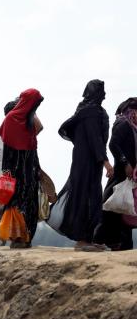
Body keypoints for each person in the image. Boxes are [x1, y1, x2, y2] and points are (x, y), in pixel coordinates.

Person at [50, 80, 114, 251]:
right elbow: (94, 139)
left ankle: (88, 238)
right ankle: (82, 240)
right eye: (102, 91)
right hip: (86, 162)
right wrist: (107, 163)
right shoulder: (90, 112)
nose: (105, 95)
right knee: (86, 197)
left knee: (91, 197)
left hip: (89, 161)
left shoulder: (88, 110)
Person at [0, 88, 44, 248]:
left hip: (30, 171)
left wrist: (37, 169)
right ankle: (16, 238)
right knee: (16, 203)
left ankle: (27, 237)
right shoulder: (11, 118)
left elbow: (38, 134)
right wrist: (6, 171)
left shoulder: (30, 121)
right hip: (15, 172)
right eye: (35, 104)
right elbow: (8, 148)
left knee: (30, 203)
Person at [95, 97, 137, 250]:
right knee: (110, 207)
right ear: (132, 111)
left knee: (126, 209)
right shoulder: (123, 124)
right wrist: (125, 162)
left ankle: (123, 245)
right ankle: (99, 240)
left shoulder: (133, 126)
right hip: (121, 173)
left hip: (130, 176)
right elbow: (113, 144)